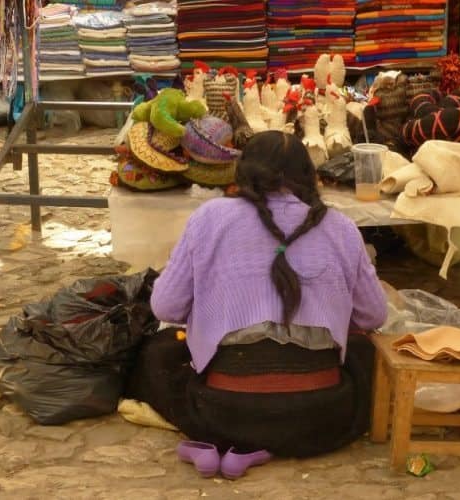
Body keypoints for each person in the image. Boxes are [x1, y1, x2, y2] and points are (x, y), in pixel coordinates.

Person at [126, 130, 387, 478]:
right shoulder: (341, 227)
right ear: (309, 176)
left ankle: (230, 442)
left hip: (221, 412)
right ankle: (268, 437)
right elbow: (374, 315)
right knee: (367, 353)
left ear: (244, 171)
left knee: (158, 351)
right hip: (322, 416)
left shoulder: (210, 217)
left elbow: (166, 308)